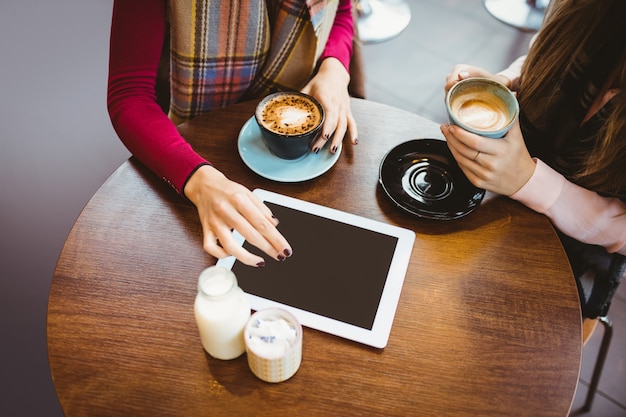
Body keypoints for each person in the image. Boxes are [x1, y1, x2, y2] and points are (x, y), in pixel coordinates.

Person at [107, 0, 359, 268]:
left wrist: (335, 65)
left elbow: (341, 9)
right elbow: (128, 94)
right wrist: (198, 181)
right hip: (202, 152)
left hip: (307, 130)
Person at [440, 0, 626, 318]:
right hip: (496, 211)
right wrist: (507, 82)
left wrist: (529, 180)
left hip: (576, 258)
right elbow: (545, 49)